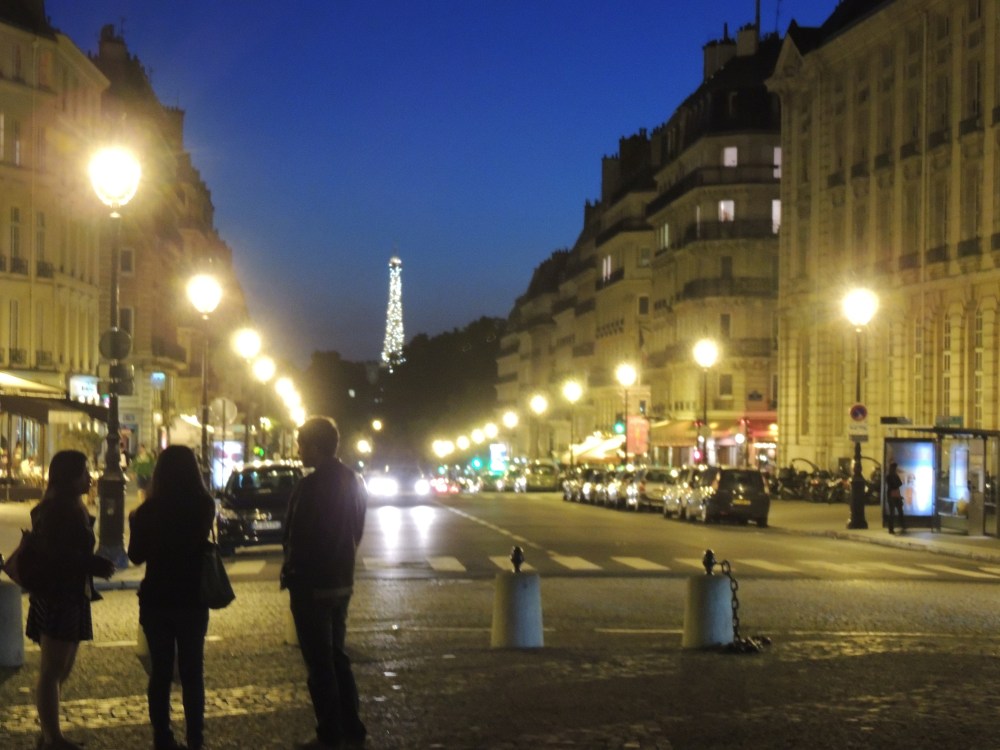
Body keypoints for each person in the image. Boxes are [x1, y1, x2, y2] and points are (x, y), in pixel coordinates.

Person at [282, 416, 368, 750]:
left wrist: (293, 573)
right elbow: (357, 529)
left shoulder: (310, 486)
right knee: (337, 655)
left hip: (311, 584)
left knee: (319, 662)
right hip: (341, 580)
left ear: (315, 447)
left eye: (301, 444)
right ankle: (352, 723)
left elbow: (297, 535)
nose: (298, 450)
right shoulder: (353, 480)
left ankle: (329, 730)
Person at [26, 450, 115, 750]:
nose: (90, 477)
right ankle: (52, 738)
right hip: (59, 594)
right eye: (84, 471)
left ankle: (49, 732)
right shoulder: (56, 510)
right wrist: (93, 564)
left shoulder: (68, 506)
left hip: (71, 593)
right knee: (53, 668)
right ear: (68, 476)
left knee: (61, 668)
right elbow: (57, 555)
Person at [128, 445, 216, 750]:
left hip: (157, 599)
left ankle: (162, 737)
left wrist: (135, 522)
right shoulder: (204, 505)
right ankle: (196, 739)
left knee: (161, 673)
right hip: (192, 596)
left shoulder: (148, 510)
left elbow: (136, 556)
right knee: (193, 671)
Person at [886, 460, 904, 534]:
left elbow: (899, 483)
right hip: (891, 495)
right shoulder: (889, 476)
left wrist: (896, 484)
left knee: (900, 511)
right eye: (894, 468)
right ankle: (891, 529)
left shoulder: (895, 475)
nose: (895, 469)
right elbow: (894, 485)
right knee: (892, 512)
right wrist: (896, 484)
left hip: (896, 495)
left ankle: (902, 525)